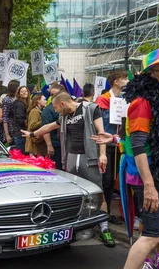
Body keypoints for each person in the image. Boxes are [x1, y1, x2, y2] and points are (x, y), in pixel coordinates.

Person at [93, 49, 159, 269]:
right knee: (152, 233)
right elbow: (138, 145)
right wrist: (150, 186)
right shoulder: (141, 102)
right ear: (151, 74)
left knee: (154, 231)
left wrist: (115, 141)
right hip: (147, 177)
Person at [22, 91, 115, 247]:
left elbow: (102, 134)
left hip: (90, 157)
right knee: (74, 194)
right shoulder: (65, 117)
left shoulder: (91, 109)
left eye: (57, 108)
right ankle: (75, 228)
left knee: (98, 193)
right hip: (72, 157)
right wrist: (32, 134)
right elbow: (48, 126)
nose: (56, 111)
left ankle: (105, 229)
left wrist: (103, 155)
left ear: (63, 104)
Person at [95, 70, 129, 223]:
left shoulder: (124, 99)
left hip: (119, 144)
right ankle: (104, 212)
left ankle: (109, 212)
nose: (127, 81)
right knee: (106, 180)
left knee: (115, 179)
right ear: (116, 81)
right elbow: (101, 125)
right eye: (125, 78)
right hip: (106, 145)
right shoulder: (103, 99)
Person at [40, 90, 63, 169]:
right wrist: (49, 145)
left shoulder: (64, 109)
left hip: (63, 144)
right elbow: (46, 128)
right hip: (55, 144)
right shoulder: (48, 110)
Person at [12, 85, 30, 153]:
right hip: (21, 133)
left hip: (21, 133)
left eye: (25, 91)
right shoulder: (19, 104)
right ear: (19, 93)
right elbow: (19, 119)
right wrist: (27, 121)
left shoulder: (25, 103)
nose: (24, 92)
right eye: (22, 91)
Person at [2, 80, 19, 145]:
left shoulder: (18, 98)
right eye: (18, 87)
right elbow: (5, 117)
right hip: (10, 128)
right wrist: (7, 134)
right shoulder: (7, 100)